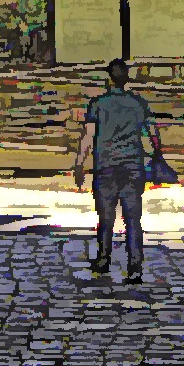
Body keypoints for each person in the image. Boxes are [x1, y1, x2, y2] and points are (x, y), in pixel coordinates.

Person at [74, 58, 152, 282]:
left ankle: (103, 259)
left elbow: (88, 136)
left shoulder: (98, 103)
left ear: (109, 78)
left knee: (106, 217)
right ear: (126, 77)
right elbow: (151, 134)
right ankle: (135, 265)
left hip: (106, 165)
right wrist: (156, 155)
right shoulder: (139, 104)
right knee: (133, 218)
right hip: (132, 166)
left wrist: (80, 163)